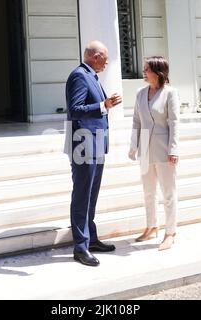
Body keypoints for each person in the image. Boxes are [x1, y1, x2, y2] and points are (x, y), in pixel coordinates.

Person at [64, 41, 122, 267]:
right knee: (82, 196)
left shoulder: (92, 76)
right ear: (94, 56)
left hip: (95, 144)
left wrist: (103, 105)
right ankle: (80, 247)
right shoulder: (79, 75)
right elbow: (75, 109)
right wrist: (103, 105)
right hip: (83, 145)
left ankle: (91, 238)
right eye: (105, 58)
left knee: (92, 195)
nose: (107, 62)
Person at [128, 56, 180, 251]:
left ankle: (170, 232)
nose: (144, 72)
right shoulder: (140, 94)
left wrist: (173, 149)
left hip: (164, 148)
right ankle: (151, 226)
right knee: (148, 191)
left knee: (168, 192)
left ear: (158, 73)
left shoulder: (170, 93)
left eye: (147, 69)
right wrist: (133, 146)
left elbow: (174, 123)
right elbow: (136, 121)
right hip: (144, 147)